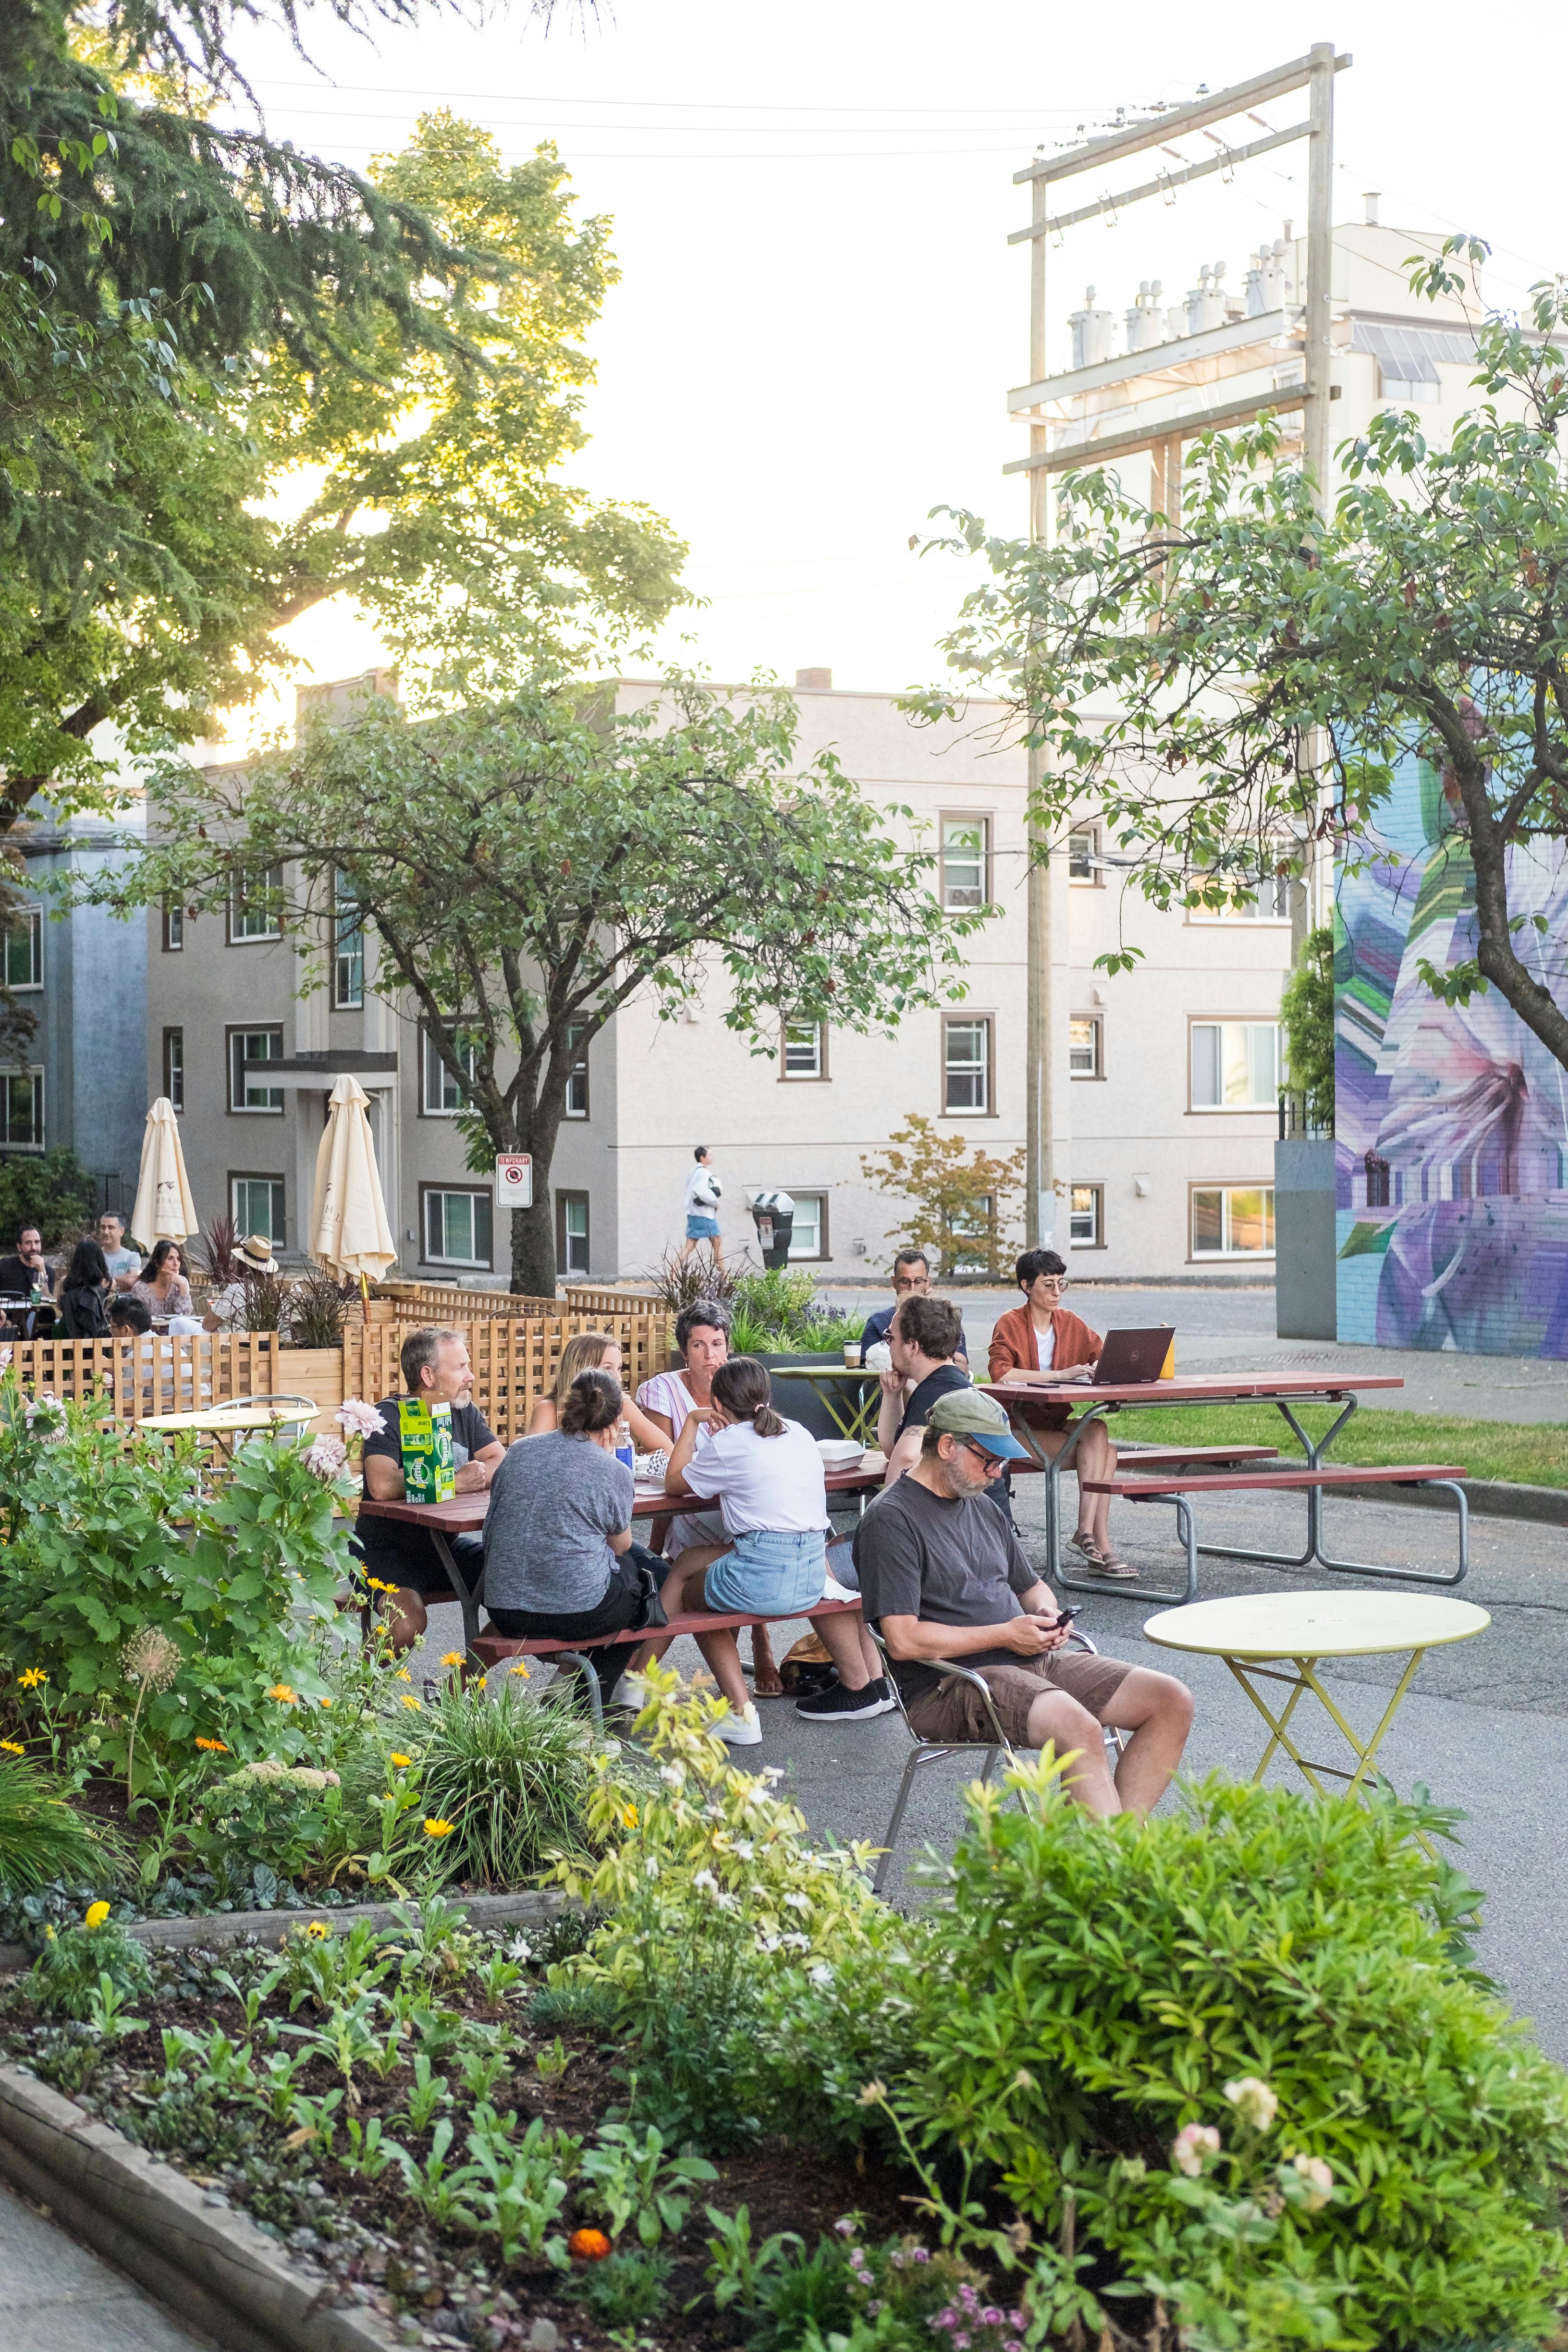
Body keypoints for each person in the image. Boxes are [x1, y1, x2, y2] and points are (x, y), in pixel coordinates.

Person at [855, 1387, 1193, 1817]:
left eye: (1002, 1464)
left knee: (1171, 1700)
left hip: (1026, 1660)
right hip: (951, 1683)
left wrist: (1048, 1615)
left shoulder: (980, 1506)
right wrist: (1006, 1634)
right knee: (1079, 1728)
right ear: (946, 1447)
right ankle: (1114, 1869)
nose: (997, 1474)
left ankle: (1115, 1855)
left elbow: (1032, 1588)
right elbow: (902, 1641)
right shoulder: (891, 1521)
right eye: (989, 1461)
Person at [662, 1355, 892, 1743]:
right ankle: (638, 1678)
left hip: (764, 1575)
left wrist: (690, 1423)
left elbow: (673, 1484)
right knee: (688, 1561)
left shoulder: (729, 1442)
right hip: (811, 1573)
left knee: (692, 1597)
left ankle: (740, 1712)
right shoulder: (798, 1432)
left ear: (718, 1405)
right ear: (766, 1396)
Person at [484, 1369, 673, 1699]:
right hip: (575, 1614)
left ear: (566, 1407)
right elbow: (622, 1545)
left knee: (629, 1576)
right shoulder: (612, 1470)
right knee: (646, 1586)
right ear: (615, 1423)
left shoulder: (520, 1451)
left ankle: (562, 1691)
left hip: (504, 1608)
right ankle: (586, 1712)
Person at [638, 1300, 780, 1697]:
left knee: (740, 1543)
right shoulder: (663, 1390)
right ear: (684, 1352)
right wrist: (654, 1545)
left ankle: (756, 1645)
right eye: (698, 1346)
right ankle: (727, 1678)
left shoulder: (741, 1386)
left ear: (729, 1346)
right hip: (689, 1509)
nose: (709, 1355)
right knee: (703, 1563)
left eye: (716, 1343)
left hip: (740, 1510)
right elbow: (665, 1462)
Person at [355, 1327, 505, 1652]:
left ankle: (458, 1687)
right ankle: (357, 1694)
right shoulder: (389, 1415)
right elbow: (382, 1485)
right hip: (384, 1552)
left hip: (444, 1550)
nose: (472, 1376)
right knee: (409, 1622)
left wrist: (478, 1474)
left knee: (521, 1589)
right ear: (428, 1375)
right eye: (460, 1367)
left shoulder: (463, 1412)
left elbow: (498, 1460)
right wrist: (455, 1481)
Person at [988, 1248, 1127, 1577]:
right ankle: (1099, 1544)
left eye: (1061, 1284)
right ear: (1026, 1286)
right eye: (1047, 1284)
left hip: (1054, 1423)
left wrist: (1100, 1370)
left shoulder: (1069, 1323)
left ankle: (1086, 1535)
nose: (1056, 1293)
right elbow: (1002, 1373)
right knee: (1105, 1454)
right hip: (1015, 1431)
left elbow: (1104, 1357)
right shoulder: (1010, 1323)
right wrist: (1061, 1375)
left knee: (1099, 1433)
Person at [875, 1293, 974, 1487]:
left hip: (964, 1515)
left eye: (891, 1338)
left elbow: (907, 1458)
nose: (888, 1346)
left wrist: (886, 1510)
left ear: (912, 1347)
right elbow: (894, 1450)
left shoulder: (933, 1392)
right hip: (981, 1513)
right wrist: (892, 1396)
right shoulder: (949, 1382)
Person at [529, 1330, 667, 1453]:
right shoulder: (549, 1410)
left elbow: (667, 1449)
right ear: (581, 1371)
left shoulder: (621, 1404)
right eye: (607, 1369)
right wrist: (599, 1457)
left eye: (619, 1369)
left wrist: (634, 1464)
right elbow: (529, 1461)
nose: (618, 1379)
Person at [858, 1249, 968, 1365]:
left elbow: (962, 1365)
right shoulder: (879, 1322)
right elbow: (866, 1369)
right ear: (894, 1282)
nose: (912, 1289)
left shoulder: (945, 1318)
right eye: (905, 1282)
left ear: (927, 1282)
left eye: (918, 1281)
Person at [676, 1144, 724, 1268]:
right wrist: (716, 1203)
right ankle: (724, 1276)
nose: (712, 1157)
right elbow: (703, 1192)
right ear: (702, 1158)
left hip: (693, 1214)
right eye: (709, 1155)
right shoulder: (704, 1173)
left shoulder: (692, 1172)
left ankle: (673, 1272)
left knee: (689, 1246)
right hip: (705, 1215)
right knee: (718, 1243)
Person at [58, 1239, 113, 1337]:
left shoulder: (65, 1282)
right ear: (100, 1259)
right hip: (98, 1335)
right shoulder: (109, 1283)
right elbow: (108, 1311)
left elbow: (59, 1306)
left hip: (69, 1333)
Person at [130, 1239, 194, 1320]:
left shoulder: (181, 1283)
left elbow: (185, 1318)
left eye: (178, 1259)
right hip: (149, 1332)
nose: (176, 1264)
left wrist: (183, 1287)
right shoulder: (141, 1289)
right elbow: (139, 1320)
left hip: (176, 1332)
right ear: (157, 1263)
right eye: (170, 1259)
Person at [0, 1226, 55, 1299]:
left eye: (37, 1242)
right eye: (28, 1243)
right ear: (19, 1247)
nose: (34, 1248)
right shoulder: (4, 1266)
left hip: (38, 1311)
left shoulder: (48, 1271)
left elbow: (46, 1300)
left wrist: (42, 1272)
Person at [96, 1213, 142, 1293]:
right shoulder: (93, 1256)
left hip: (122, 1304)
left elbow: (131, 1281)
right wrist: (119, 1280)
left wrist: (103, 1282)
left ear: (122, 1231)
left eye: (111, 1228)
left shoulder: (132, 1257)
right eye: (103, 1228)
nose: (106, 1232)